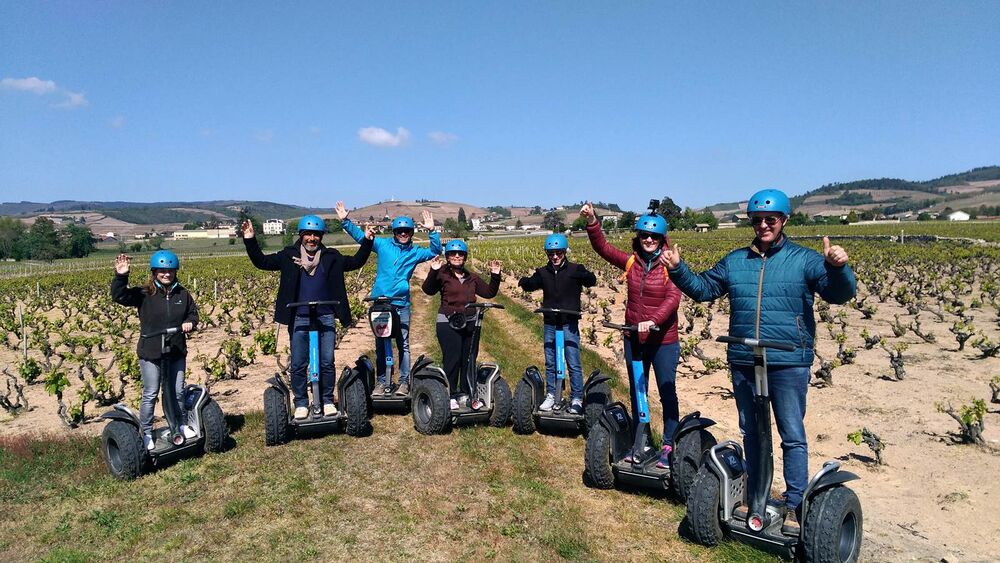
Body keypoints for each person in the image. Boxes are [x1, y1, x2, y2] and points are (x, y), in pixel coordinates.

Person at [660, 188, 856, 533]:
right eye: (757, 220)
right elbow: (704, 289)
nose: (764, 225)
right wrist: (678, 269)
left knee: (791, 433)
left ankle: (795, 502)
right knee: (751, 429)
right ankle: (756, 494)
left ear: (784, 221)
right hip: (745, 358)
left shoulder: (805, 260)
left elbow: (840, 293)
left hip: (787, 359)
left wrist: (838, 268)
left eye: (771, 219)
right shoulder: (737, 261)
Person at [242, 215, 374, 420]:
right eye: (308, 234)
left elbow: (356, 261)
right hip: (299, 316)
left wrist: (367, 240)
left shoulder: (331, 257)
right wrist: (250, 239)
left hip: (326, 315)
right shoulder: (288, 256)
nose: (311, 238)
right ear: (301, 235)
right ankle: (302, 402)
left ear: (321, 236)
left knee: (327, 361)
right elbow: (262, 262)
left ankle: (327, 400)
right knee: (298, 363)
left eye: (316, 235)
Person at [581, 202, 682, 469]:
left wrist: (653, 320)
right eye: (644, 235)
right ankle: (642, 439)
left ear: (662, 239)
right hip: (634, 338)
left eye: (655, 236)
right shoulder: (630, 262)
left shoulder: (668, 265)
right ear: (638, 237)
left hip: (663, 341)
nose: (649, 240)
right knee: (639, 391)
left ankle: (670, 444)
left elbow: (673, 298)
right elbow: (602, 248)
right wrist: (592, 220)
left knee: (666, 392)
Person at [337, 202, 441, 397]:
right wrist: (345, 221)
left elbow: (435, 252)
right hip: (381, 303)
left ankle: (403, 382)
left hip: (401, 304)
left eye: (407, 231)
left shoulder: (415, 252)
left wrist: (432, 231)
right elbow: (362, 238)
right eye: (400, 231)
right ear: (394, 232)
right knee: (381, 343)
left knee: (403, 343)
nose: (403, 234)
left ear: (411, 232)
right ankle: (382, 382)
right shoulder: (383, 244)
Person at [111, 250, 199, 451]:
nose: (166, 274)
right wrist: (121, 276)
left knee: (177, 391)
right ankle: (147, 432)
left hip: (176, 350)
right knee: (151, 393)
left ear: (175, 272)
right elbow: (120, 296)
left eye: (170, 271)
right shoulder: (144, 293)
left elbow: (193, 314)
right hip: (151, 351)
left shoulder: (183, 294)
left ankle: (181, 425)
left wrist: (189, 322)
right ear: (154, 272)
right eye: (162, 271)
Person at [517, 233, 597, 415]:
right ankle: (552, 394)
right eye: (551, 253)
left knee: (573, 361)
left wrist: (585, 274)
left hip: (569, 323)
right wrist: (524, 282)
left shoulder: (575, 269)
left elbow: (591, 281)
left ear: (564, 252)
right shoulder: (543, 273)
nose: (554, 257)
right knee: (551, 361)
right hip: (551, 323)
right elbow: (531, 284)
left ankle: (576, 397)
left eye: (558, 253)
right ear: (547, 253)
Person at [421, 240, 502, 410]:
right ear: (448, 256)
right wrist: (433, 271)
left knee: (469, 359)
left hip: (470, 322)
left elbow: (489, 292)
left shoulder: (471, 277)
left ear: (465, 257)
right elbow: (428, 290)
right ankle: (449, 394)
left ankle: (465, 394)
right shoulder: (442, 273)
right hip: (448, 321)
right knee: (453, 359)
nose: (457, 256)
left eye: (460, 254)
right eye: (452, 254)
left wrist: (495, 275)